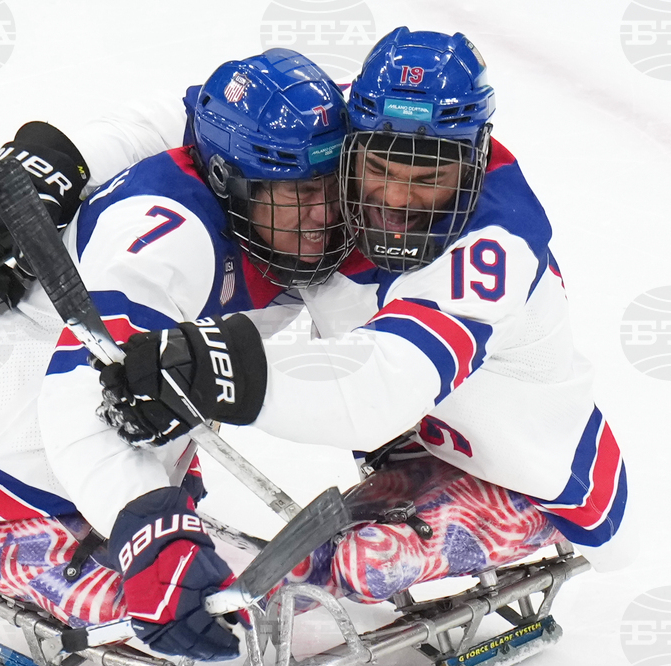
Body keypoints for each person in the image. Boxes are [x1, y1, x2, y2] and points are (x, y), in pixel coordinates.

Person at [95, 28, 633, 592]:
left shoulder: (492, 249)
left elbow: (381, 388)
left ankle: (539, 525)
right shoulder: (374, 119)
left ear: (474, 160)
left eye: (428, 180)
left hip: (528, 476)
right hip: (414, 446)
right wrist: (65, 159)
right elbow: (206, 116)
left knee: (359, 562)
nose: (398, 202)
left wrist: (218, 376)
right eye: (382, 171)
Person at [0, 49, 353, 662]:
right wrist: (149, 532)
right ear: (232, 182)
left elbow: (204, 113)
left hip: (116, 458)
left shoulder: (276, 180)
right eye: (296, 193)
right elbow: (80, 404)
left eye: (330, 185)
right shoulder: (169, 238)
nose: (323, 215)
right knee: (235, 642)